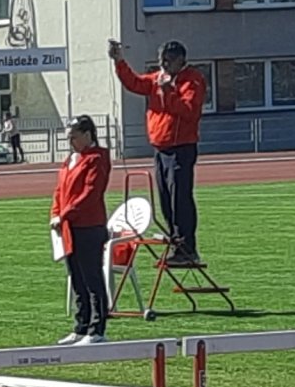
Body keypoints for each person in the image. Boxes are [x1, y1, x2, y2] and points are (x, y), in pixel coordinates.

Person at [109, 38, 207, 267]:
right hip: (161, 149)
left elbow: (190, 111)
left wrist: (168, 92)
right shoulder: (158, 78)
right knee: (165, 200)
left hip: (181, 148)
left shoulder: (192, 80)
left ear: (181, 60)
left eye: (168, 60)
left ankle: (187, 248)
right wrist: (119, 61)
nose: (163, 64)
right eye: (161, 60)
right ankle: (176, 243)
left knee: (180, 198)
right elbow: (134, 83)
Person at [48, 115, 113, 346]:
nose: (70, 142)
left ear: (87, 134)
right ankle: (81, 325)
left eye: (74, 137)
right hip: (70, 226)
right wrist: (56, 213)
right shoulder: (71, 160)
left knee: (92, 277)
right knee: (77, 277)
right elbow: (60, 190)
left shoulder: (97, 158)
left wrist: (66, 214)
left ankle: (97, 329)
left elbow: (90, 193)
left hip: (89, 226)